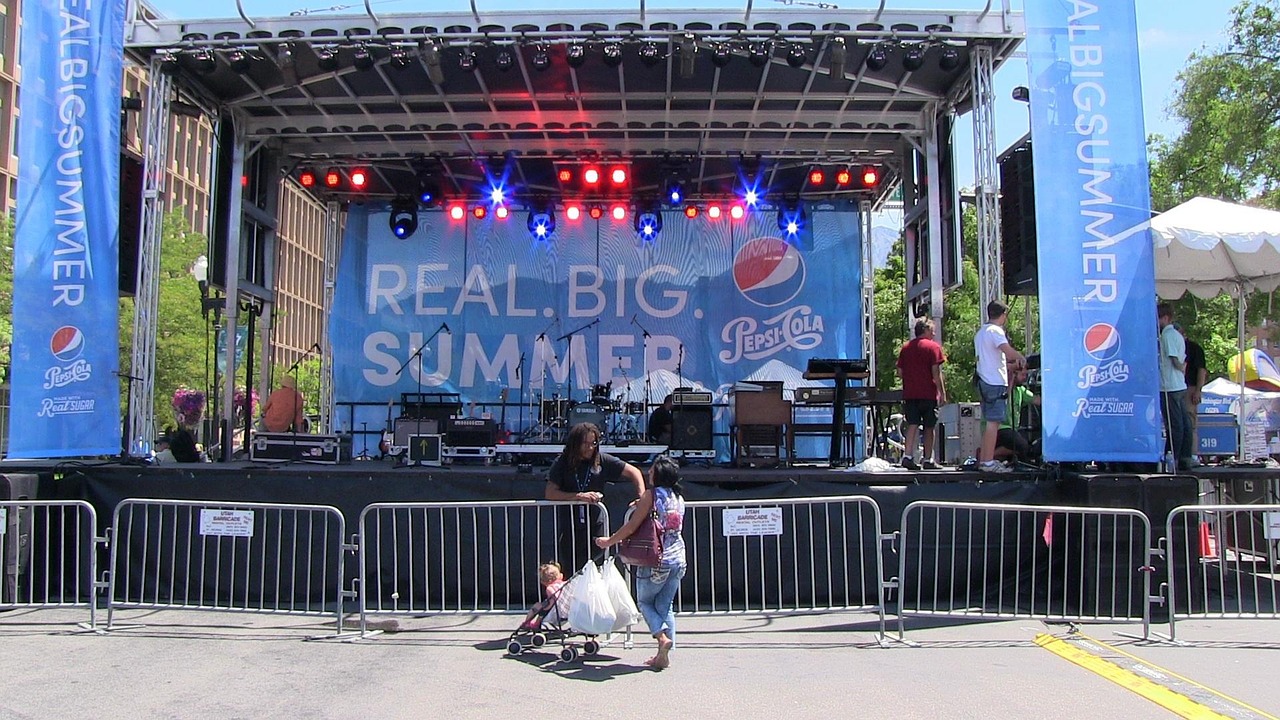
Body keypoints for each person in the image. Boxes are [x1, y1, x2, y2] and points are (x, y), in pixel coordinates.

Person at [595, 454, 686, 671]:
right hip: (678, 558)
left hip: (657, 559)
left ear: (659, 473)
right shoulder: (678, 497)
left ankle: (662, 639)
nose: (649, 473)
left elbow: (632, 526)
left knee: (645, 603)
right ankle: (664, 655)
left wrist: (610, 541)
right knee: (665, 606)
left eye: (652, 470)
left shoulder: (651, 496)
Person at [544, 423, 646, 573]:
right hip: (571, 527)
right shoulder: (562, 463)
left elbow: (634, 472)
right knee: (572, 569)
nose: (590, 448)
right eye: (585, 443)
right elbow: (550, 493)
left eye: (593, 443)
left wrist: (642, 498)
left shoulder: (601, 460)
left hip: (596, 525)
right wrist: (577, 496)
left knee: (597, 570)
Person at [974, 300, 1026, 472]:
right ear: (1003, 315)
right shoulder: (995, 331)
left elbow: (993, 361)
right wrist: (1021, 358)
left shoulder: (981, 333)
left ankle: (985, 460)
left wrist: (1011, 366)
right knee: (993, 423)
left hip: (985, 381)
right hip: (995, 383)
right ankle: (988, 462)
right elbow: (1008, 351)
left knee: (990, 423)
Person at [896, 317, 947, 470]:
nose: (934, 333)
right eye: (932, 330)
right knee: (929, 426)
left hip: (910, 393)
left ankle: (908, 456)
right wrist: (942, 393)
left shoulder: (906, 348)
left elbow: (899, 372)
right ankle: (928, 459)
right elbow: (936, 373)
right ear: (925, 330)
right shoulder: (933, 347)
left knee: (912, 424)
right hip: (928, 393)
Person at [1158, 303, 1194, 470]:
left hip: (1169, 386)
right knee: (1185, 422)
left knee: (1175, 425)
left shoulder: (1167, 335)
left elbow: (1173, 358)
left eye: (1158, 319)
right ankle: (1186, 456)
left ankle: (1172, 457)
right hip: (1179, 384)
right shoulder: (1178, 335)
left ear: (1165, 318)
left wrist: (1180, 366)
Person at [994, 364, 1041, 463]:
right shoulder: (1001, 387)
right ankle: (989, 455)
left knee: (1027, 447)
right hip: (1000, 427)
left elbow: (1037, 400)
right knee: (1022, 445)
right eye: (1023, 375)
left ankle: (992, 454)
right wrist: (1011, 380)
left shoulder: (1021, 390)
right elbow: (1003, 399)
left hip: (1011, 429)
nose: (1025, 378)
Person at [1182, 329, 1207, 468]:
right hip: (1177, 387)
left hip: (1189, 388)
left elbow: (1201, 370)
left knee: (1190, 423)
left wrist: (1198, 390)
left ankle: (1192, 455)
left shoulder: (1194, 349)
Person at [519, 561, 568, 630]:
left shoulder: (550, 588)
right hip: (566, 611)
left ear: (544, 582)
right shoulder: (565, 585)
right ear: (560, 576)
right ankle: (536, 623)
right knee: (543, 606)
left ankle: (527, 623)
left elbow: (554, 599)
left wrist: (544, 607)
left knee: (537, 606)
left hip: (555, 613)